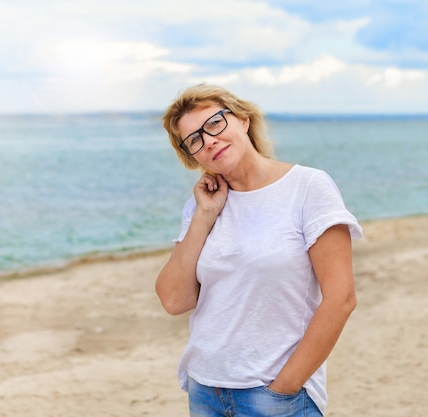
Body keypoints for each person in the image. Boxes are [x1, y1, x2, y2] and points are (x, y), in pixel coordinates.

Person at [155, 84, 362, 417]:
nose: (209, 140)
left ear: (243, 120)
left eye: (215, 124)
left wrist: (284, 388)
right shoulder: (201, 207)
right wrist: (204, 216)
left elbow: (341, 299)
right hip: (206, 390)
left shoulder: (308, 187)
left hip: (274, 395)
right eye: (194, 139)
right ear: (192, 156)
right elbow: (174, 300)